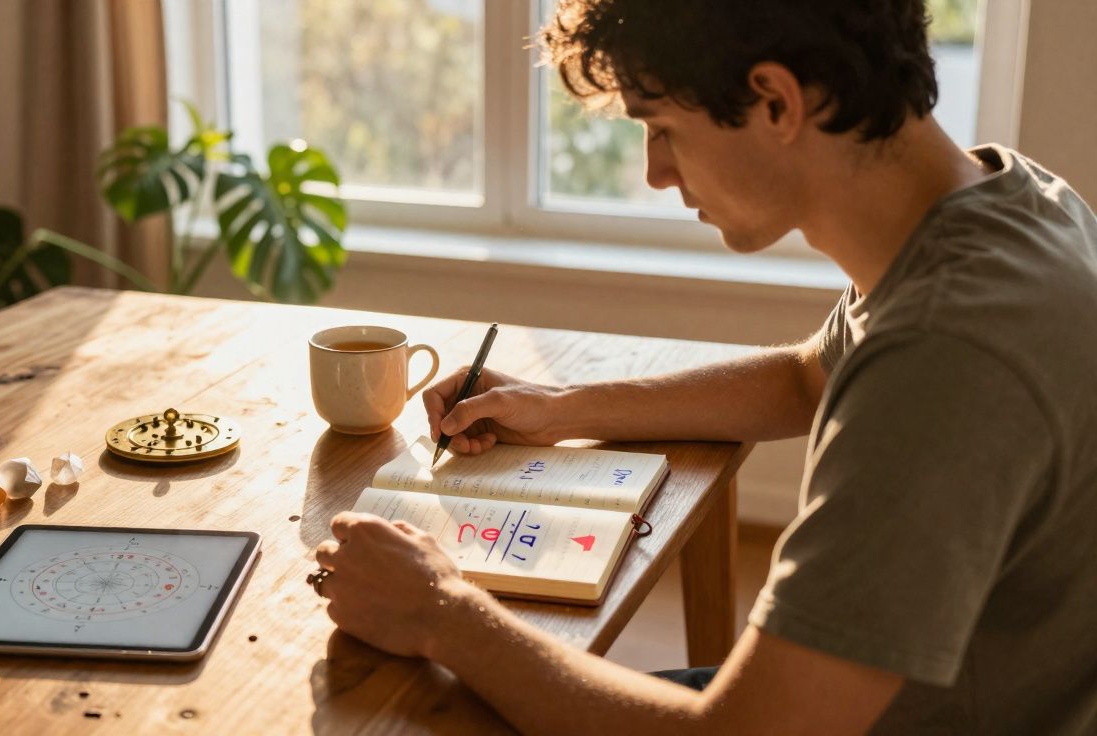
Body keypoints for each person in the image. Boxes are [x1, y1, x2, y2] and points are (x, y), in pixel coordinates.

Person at [312, 1, 1097, 733]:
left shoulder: (947, 354)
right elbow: (806, 378)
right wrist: (560, 406)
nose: (656, 172)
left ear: (776, 103)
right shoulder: (1009, 201)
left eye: (662, 129)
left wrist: (440, 610)